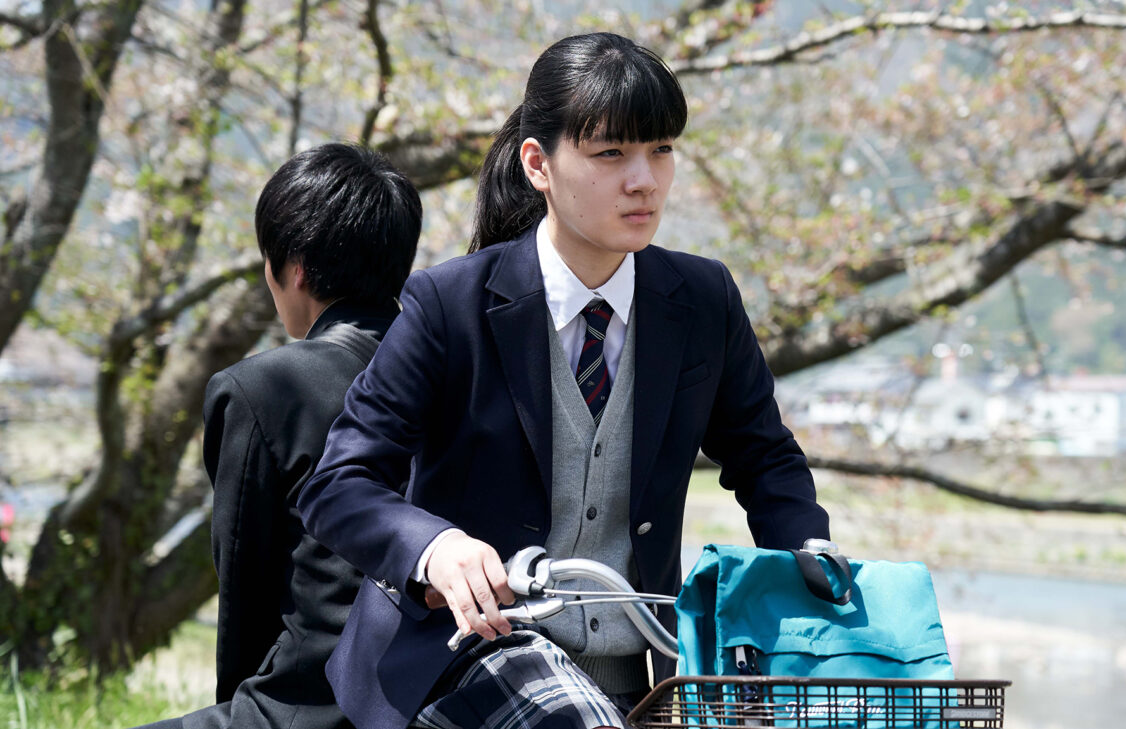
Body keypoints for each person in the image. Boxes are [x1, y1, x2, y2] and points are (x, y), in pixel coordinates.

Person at [297, 32, 830, 729]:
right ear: (537, 164)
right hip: (469, 655)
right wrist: (434, 547)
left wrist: (809, 551)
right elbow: (339, 483)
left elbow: (764, 456)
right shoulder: (449, 304)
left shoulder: (703, 300)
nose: (644, 180)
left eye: (661, 150)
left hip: (640, 676)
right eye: (611, 154)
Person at [139, 143, 421, 729]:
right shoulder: (457, 375)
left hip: (308, 702)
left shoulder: (260, 389)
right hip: (440, 697)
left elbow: (245, 591)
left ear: (294, 269)